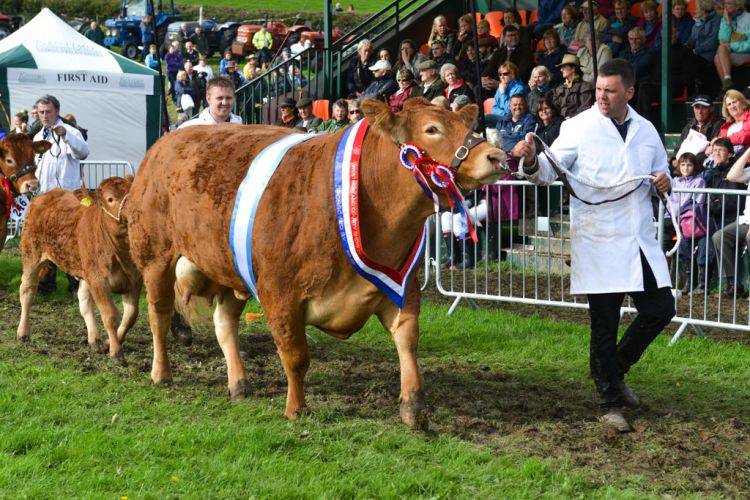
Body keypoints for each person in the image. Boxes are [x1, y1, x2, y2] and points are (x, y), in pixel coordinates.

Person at [513, 59, 674, 432]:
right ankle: (608, 401)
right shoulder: (577, 127)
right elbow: (550, 171)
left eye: (610, 90)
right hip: (599, 238)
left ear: (629, 92)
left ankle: (615, 369)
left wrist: (664, 182)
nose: (602, 96)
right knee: (604, 323)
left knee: (661, 307)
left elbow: (660, 174)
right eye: (599, 89)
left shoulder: (647, 131)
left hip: (637, 237)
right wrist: (532, 160)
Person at [33, 95, 90, 296]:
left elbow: (83, 152)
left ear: (57, 111)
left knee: (69, 243)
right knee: (47, 243)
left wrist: (66, 134)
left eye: (48, 112)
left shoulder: (72, 131)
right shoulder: (37, 136)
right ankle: (46, 285)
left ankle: (76, 286)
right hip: (45, 199)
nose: (45, 116)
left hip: (67, 199)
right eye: (41, 112)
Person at [668, 153, 714, 294]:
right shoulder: (675, 181)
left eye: (689, 165)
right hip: (679, 221)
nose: (686, 168)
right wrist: (680, 207)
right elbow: (671, 202)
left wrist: (680, 207)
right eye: (683, 164)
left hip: (696, 221)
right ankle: (689, 280)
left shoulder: (699, 181)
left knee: (702, 246)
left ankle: (702, 284)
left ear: (694, 166)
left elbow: (697, 203)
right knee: (682, 245)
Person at [711, 146, 750, 297]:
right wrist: (748, 151)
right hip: (746, 220)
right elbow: (732, 176)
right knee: (720, 236)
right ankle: (734, 286)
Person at [481, 25, 533, 100]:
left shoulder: (526, 51)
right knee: (479, 88)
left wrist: (501, 84)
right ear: (504, 38)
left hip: (516, 84)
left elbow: (522, 74)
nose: (514, 38)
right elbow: (488, 70)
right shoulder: (498, 52)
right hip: (497, 82)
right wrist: (484, 80)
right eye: (510, 36)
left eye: (516, 35)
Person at [672, 94, 723, 168]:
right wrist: (673, 161)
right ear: (693, 109)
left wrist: (690, 162)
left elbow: (711, 151)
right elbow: (678, 148)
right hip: (682, 165)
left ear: (711, 109)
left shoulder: (718, 124)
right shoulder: (688, 126)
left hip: (702, 166)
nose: (700, 111)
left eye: (704, 108)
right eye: (697, 107)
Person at [703, 137, 745, 227]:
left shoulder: (735, 172)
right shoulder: (714, 172)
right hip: (716, 216)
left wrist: (713, 206)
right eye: (714, 150)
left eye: (721, 150)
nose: (717, 153)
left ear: (730, 154)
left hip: (732, 218)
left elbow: (733, 201)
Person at [686, 0, 721, 97]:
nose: (695, 10)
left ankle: (695, 90)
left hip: (708, 55)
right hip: (696, 54)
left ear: (704, 10)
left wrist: (696, 50)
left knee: (690, 60)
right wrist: (684, 48)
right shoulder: (698, 21)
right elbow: (691, 40)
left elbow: (713, 42)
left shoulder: (716, 19)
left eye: (697, 8)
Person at [621, 27, 658, 115]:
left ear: (643, 40)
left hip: (642, 85)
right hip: (628, 84)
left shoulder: (649, 53)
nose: (633, 41)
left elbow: (638, 69)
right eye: (631, 39)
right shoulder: (624, 53)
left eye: (637, 39)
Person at [715, 0, 750, 91]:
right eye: (725, 3)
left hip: (745, 53)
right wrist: (727, 23)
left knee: (719, 56)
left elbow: (748, 44)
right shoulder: (726, 18)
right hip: (729, 53)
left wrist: (732, 46)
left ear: (738, 5)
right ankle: (728, 83)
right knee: (718, 54)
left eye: (729, 3)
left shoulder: (748, 18)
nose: (726, 6)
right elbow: (722, 40)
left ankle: (727, 88)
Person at [551, 54, 594, 119]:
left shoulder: (585, 87)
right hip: (561, 124)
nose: (561, 70)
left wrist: (570, 119)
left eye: (564, 67)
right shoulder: (560, 88)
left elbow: (585, 109)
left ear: (573, 68)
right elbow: (554, 108)